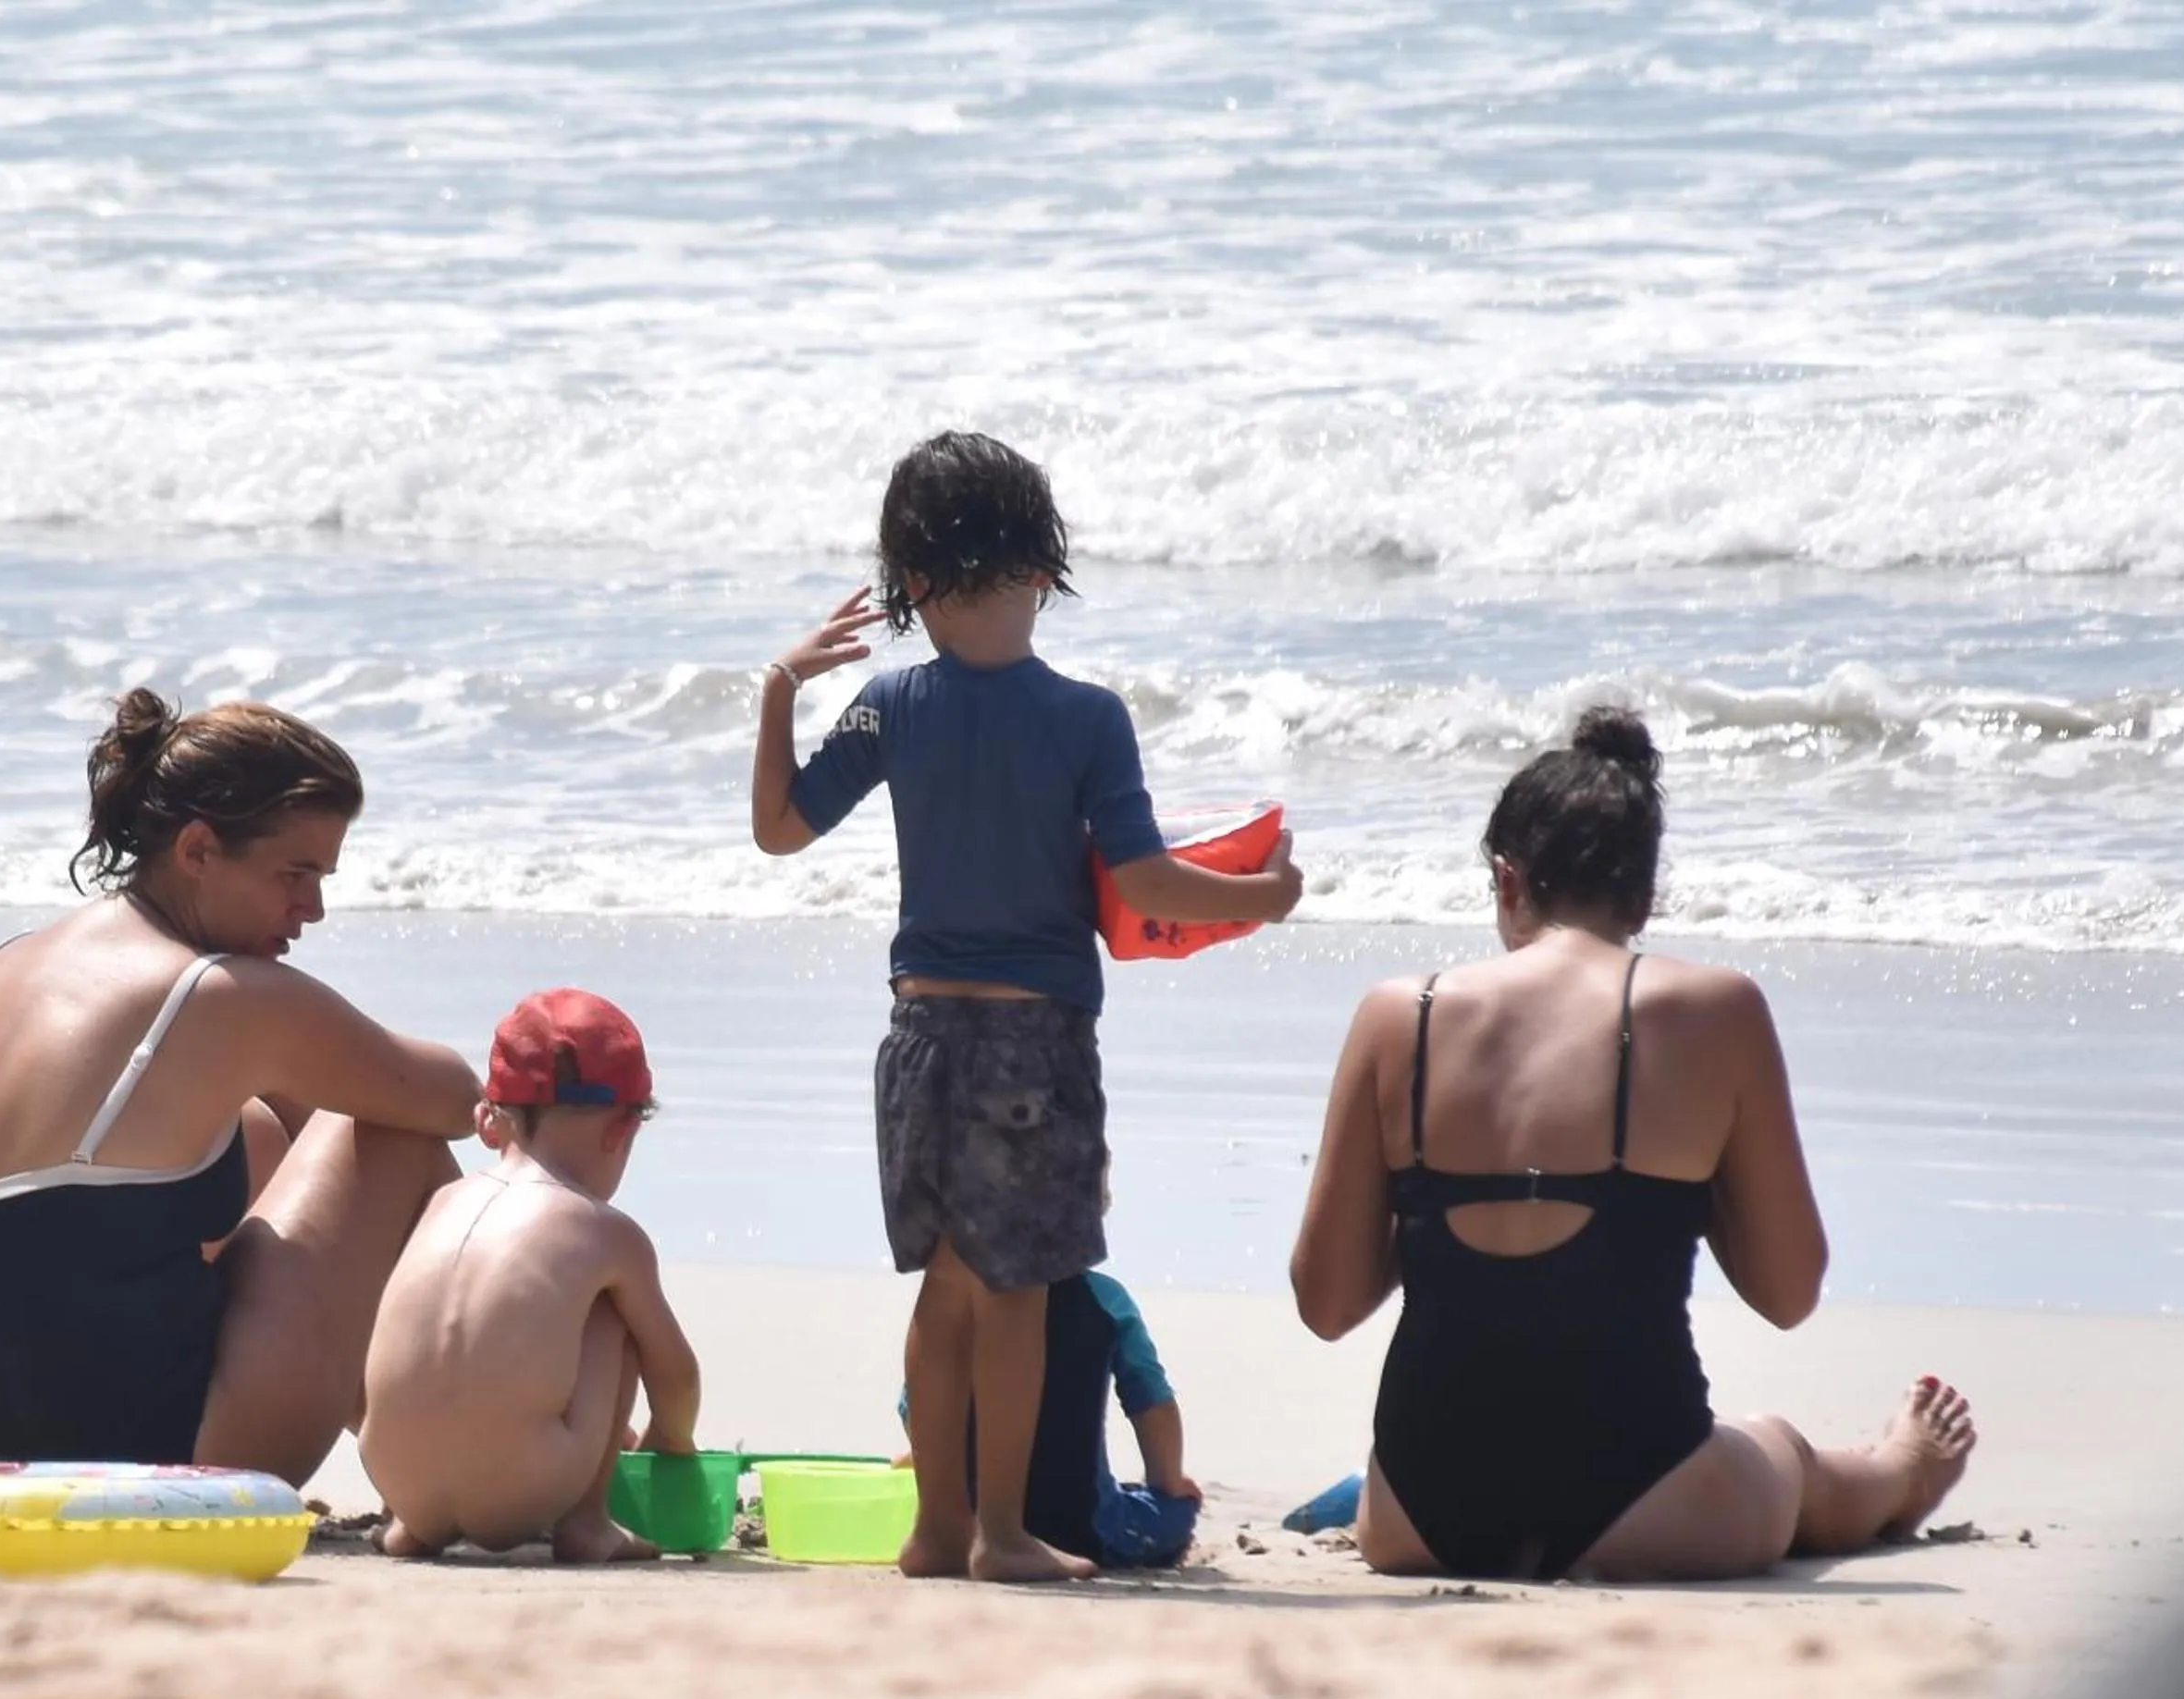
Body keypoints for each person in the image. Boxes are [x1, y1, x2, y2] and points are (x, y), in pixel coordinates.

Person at [749, 431, 1302, 1582]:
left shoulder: (888, 704)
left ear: (909, 584)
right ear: (1046, 569)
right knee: (1016, 1296)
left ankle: (936, 1528)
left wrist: (779, 689)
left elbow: (779, 830)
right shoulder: (1087, 717)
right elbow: (1147, 884)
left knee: (945, 1288)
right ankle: (1002, 1534)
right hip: (1030, 1044)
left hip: (916, 1039)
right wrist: (1266, 895)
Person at [1288, 707, 1977, 1582]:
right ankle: (1898, 1471)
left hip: (1420, 1513)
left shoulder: (1400, 1016)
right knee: (1784, 1453)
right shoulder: (1717, 1011)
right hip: (1653, 1498)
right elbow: (1788, 1291)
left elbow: (1327, 1303)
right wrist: (1687, 1181)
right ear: (1645, 898)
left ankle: (1885, 1470)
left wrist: (1432, 1197)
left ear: (1506, 880)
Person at [0, 689, 483, 1485]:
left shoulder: (8, 963)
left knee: (254, 1126)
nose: (314, 909)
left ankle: (430, 1428)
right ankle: (472, 1446)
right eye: (296, 874)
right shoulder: (222, 997)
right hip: (134, 1472)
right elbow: (454, 1098)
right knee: (385, 1133)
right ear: (198, 850)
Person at [359, 989, 700, 1563]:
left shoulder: (443, 1202)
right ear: (622, 1131)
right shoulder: (606, 1232)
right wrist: (672, 1441)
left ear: (488, 1121)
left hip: (396, 1477)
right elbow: (678, 1377)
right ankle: (587, 1522)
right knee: (613, 1313)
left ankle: (409, 1527)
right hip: (523, 1494)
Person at [901, 1262, 1206, 1571]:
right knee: (1178, 1507)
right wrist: (1167, 1478)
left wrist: (933, 1459)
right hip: (1081, 1528)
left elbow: (915, 1401)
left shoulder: (956, 1301)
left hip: (966, 1519)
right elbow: (1152, 1403)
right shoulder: (1105, 1298)